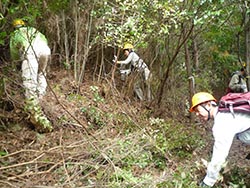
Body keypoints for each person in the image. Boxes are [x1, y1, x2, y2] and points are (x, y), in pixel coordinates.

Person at [189, 92, 250, 187]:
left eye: (197, 110)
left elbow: (219, 157)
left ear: (208, 105)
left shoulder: (222, 122)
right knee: (242, 135)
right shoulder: (226, 110)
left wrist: (208, 182)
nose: (197, 114)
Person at [10, 18, 53, 132]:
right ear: (24, 24)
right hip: (44, 49)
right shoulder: (33, 30)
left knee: (30, 81)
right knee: (41, 74)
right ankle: (41, 98)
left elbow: (14, 54)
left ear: (14, 27)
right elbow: (44, 40)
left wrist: (17, 65)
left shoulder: (15, 34)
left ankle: (34, 111)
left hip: (30, 51)